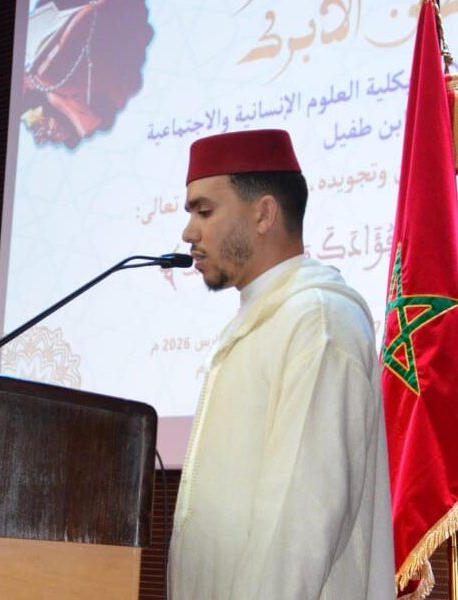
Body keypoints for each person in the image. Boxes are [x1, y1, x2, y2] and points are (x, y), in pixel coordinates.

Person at [169, 129, 395, 599]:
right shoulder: (262, 318)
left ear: (264, 213)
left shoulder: (319, 322)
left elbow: (299, 529)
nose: (189, 233)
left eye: (204, 211)